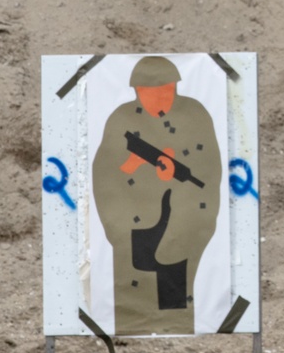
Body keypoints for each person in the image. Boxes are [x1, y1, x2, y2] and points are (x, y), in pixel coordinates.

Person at [92, 55, 222, 334]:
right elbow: (104, 173)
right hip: (134, 226)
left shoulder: (195, 115)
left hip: (180, 225)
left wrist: (195, 217)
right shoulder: (121, 119)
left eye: (167, 90)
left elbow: (210, 171)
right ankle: (130, 342)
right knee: (132, 303)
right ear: (137, 92)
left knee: (175, 308)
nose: (161, 98)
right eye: (151, 93)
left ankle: (175, 343)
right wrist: (134, 165)